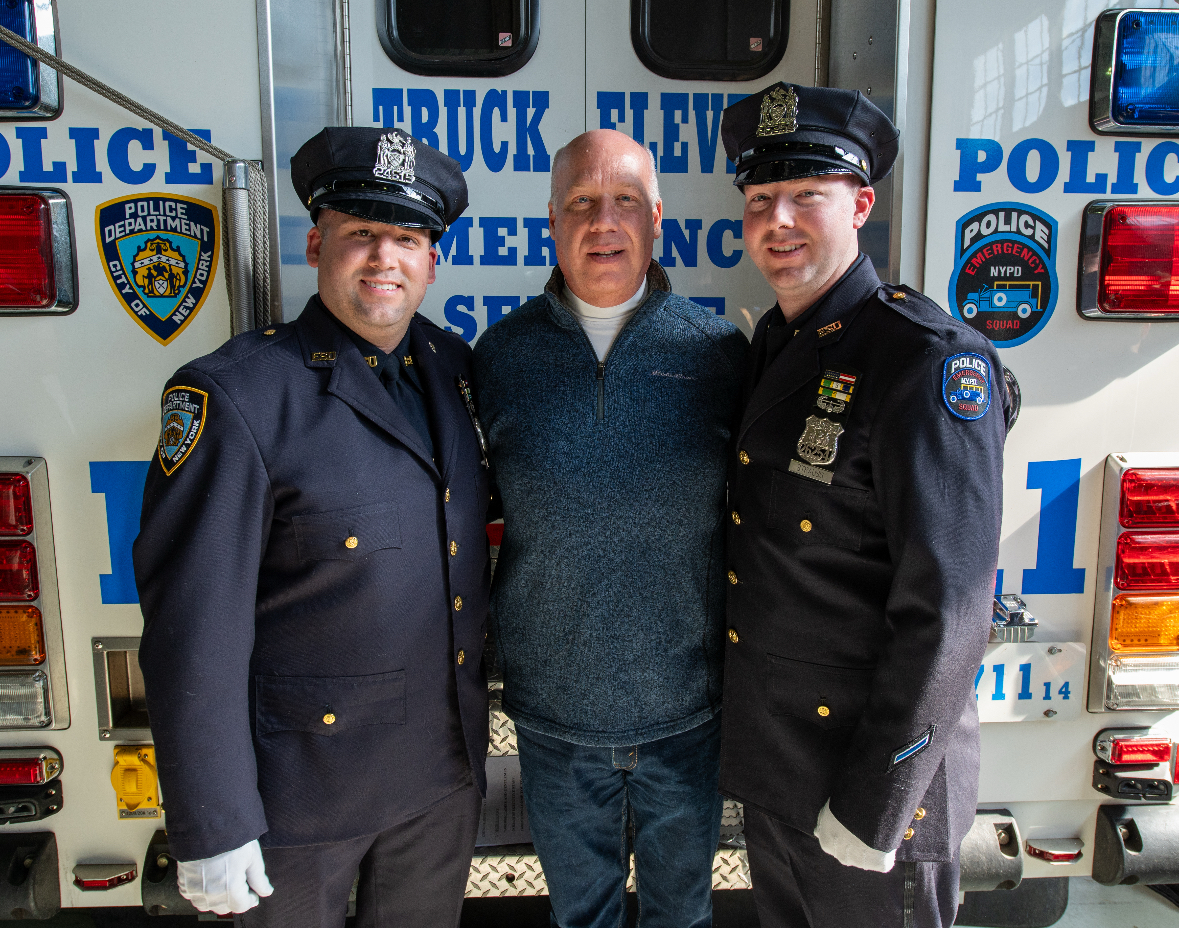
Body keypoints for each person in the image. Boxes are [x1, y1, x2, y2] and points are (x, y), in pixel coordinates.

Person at [133, 127, 492, 927]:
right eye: (360, 233)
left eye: (406, 237)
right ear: (314, 242)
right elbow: (192, 626)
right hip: (296, 803)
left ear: (433, 260)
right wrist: (212, 824)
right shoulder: (236, 398)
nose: (382, 259)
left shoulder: (455, 371)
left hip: (438, 784)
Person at [716, 84, 1011, 928]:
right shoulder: (777, 345)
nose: (779, 220)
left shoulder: (926, 361)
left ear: (861, 203)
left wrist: (876, 803)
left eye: (806, 195)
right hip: (781, 779)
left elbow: (949, 616)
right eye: (760, 198)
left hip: (875, 795)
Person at [472, 128, 747, 928]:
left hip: (686, 713)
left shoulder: (718, 355)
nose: (604, 222)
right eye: (582, 203)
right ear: (551, 221)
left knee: (681, 917)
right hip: (554, 718)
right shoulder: (499, 357)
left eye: (624, 200)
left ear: (656, 218)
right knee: (579, 917)